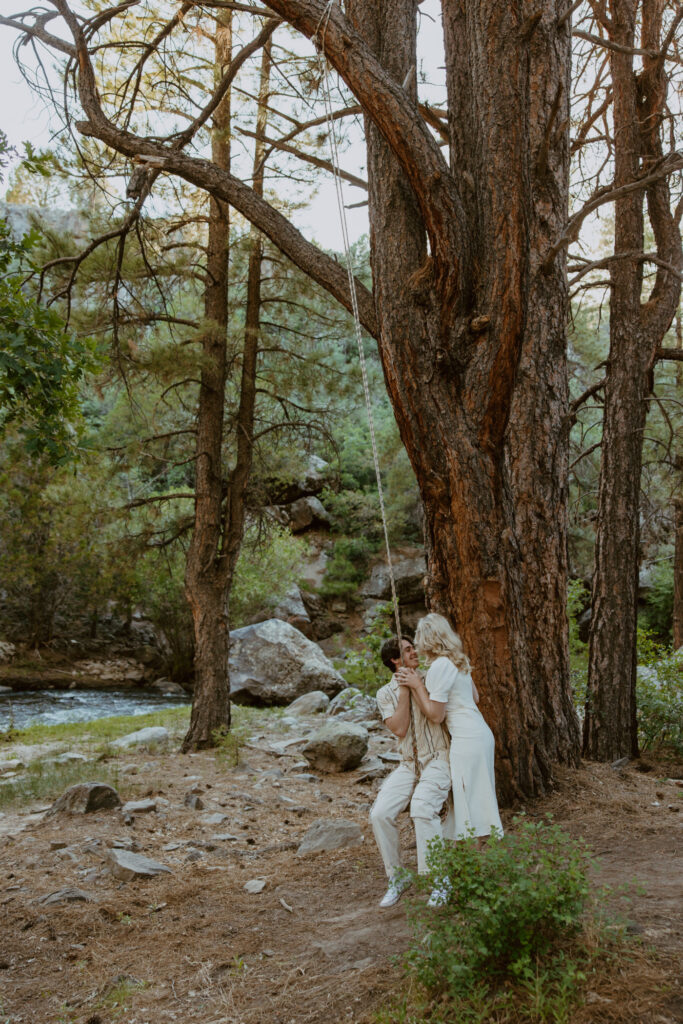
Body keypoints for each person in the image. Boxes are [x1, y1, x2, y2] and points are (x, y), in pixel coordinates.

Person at [396, 613, 503, 849]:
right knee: (476, 797)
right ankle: (471, 857)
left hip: (466, 739)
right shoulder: (458, 661)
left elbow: (436, 714)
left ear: (427, 639)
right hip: (481, 733)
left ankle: (472, 861)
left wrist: (416, 686)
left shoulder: (439, 666)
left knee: (466, 800)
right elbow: (475, 697)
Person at [370, 634, 454, 908]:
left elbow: (438, 714)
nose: (414, 651)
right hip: (408, 763)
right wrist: (404, 691)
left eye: (413, 647)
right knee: (379, 814)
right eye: (407, 650)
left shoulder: (432, 677)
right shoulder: (384, 693)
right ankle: (398, 877)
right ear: (395, 660)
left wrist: (417, 685)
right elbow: (400, 729)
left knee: (421, 808)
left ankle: (440, 879)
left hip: (438, 757)